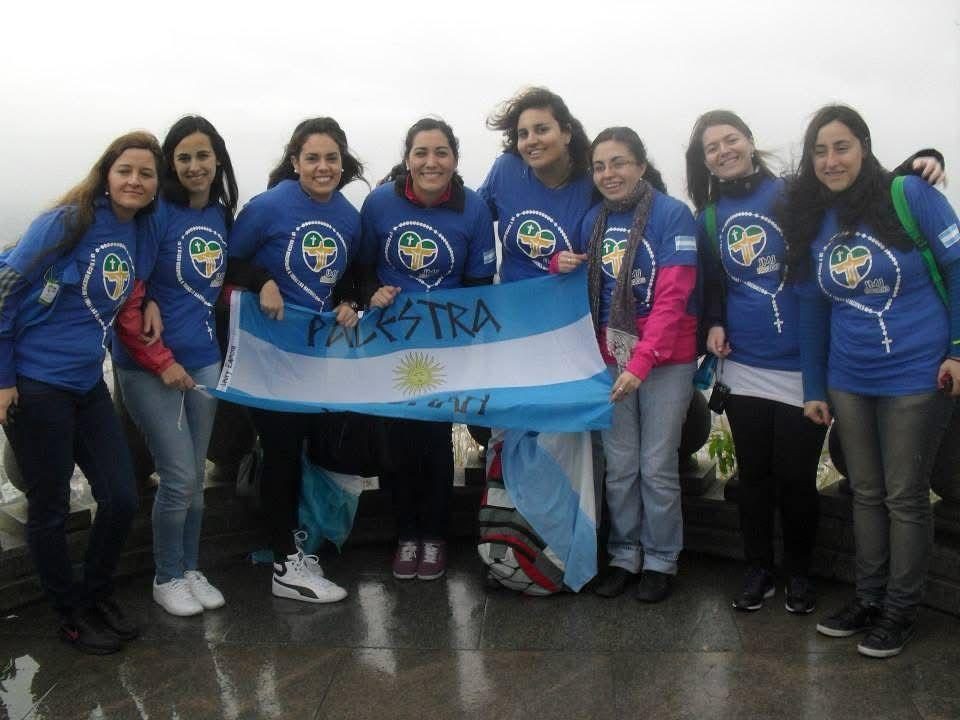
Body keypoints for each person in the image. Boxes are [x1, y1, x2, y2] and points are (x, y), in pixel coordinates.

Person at [685, 110, 945, 615]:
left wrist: (920, 162)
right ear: (704, 163)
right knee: (755, 477)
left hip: (806, 364)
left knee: (797, 477)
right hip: (745, 364)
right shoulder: (708, 218)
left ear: (750, 140)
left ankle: (800, 575)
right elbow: (713, 282)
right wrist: (713, 322)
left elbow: (851, 190)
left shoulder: (792, 194)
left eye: (730, 139)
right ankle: (758, 568)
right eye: (711, 147)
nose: (723, 151)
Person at [788, 104, 960, 658]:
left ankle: (900, 610)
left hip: (916, 368)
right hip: (849, 375)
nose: (831, 160)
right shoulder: (817, 218)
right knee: (866, 492)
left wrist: (958, 350)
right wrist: (815, 386)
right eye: (819, 151)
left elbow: (958, 266)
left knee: (905, 495)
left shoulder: (909, 195)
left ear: (864, 146)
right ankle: (867, 598)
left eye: (841, 147)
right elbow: (812, 309)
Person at [0, 131, 163, 654]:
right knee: (49, 508)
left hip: (88, 382)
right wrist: (3, 378)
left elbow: (136, 284)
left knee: (120, 496)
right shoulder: (68, 221)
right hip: (37, 386)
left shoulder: (139, 229)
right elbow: (5, 290)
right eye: (126, 170)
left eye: (146, 173)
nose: (135, 180)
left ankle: (95, 594)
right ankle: (69, 613)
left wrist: (152, 300)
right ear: (107, 174)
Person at [555, 127, 698, 602]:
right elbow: (582, 290)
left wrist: (641, 360)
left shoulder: (672, 215)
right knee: (618, 466)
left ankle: (661, 558)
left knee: (656, 465)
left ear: (640, 165)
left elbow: (673, 296)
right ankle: (623, 553)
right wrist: (560, 267)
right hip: (610, 358)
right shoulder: (593, 220)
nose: (608, 173)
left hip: (665, 360)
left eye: (619, 162)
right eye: (599, 166)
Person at [228, 117, 364, 604]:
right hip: (267, 353)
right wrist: (262, 279)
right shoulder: (267, 207)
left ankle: (295, 546)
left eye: (332, 158)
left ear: (343, 163)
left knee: (302, 450)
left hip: (315, 356)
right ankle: (285, 563)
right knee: (282, 451)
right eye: (313, 158)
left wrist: (351, 300)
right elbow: (229, 262)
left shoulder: (349, 216)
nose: (323, 167)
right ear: (295, 162)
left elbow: (348, 276)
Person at [360, 117, 496, 580]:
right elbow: (360, 269)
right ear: (407, 158)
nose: (430, 162)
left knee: (436, 444)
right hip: (390, 344)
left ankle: (434, 538)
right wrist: (371, 291)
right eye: (421, 152)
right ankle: (405, 534)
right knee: (394, 446)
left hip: (445, 345)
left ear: (455, 158)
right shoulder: (379, 203)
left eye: (440, 152)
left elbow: (480, 285)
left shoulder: (473, 209)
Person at [113, 116, 238, 617]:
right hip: (148, 365)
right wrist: (160, 360)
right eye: (183, 157)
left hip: (204, 357)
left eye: (202, 156)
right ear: (171, 164)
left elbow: (218, 284)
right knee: (179, 475)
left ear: (217, 160)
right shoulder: (157, 213)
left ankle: (189, 567)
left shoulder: (222, 215)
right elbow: (129, 290)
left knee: (196, 478)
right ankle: (166, 576)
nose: (193, 166)